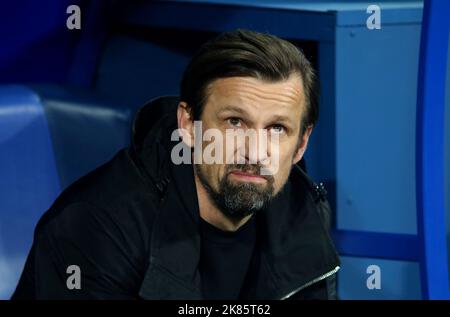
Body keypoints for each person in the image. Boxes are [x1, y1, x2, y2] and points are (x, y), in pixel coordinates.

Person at [12, 29, 340, 300]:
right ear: (188, 124)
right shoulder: (97, 227)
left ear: (301, 144)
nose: (254, 154)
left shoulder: (303, 213)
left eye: (276, 129)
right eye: (235, 122)